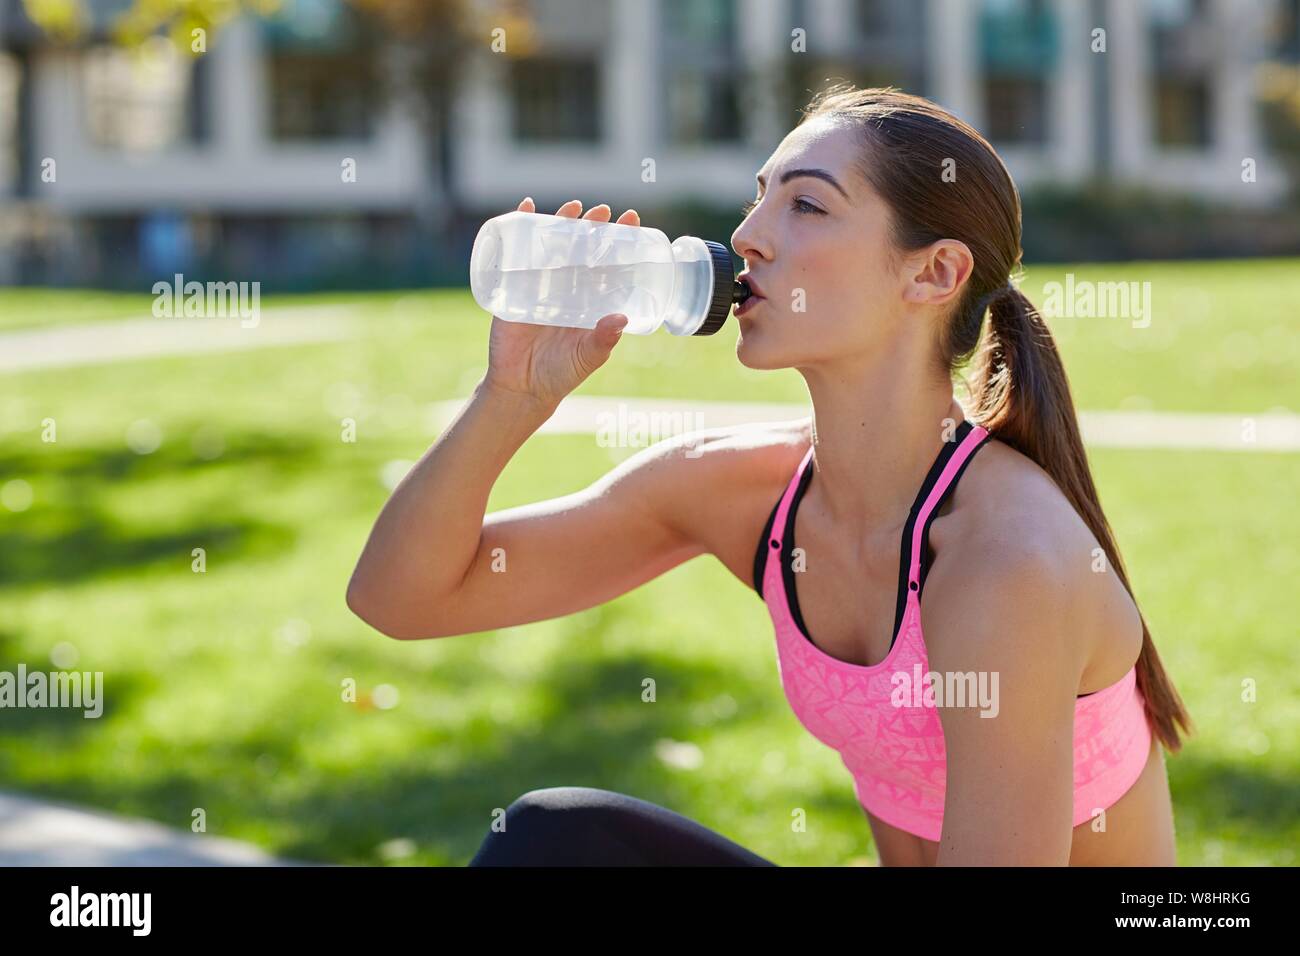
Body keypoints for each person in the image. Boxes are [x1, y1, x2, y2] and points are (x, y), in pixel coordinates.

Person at [347, 85, 1192, 866]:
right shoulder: (743, 490)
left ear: (933, 272)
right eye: (761, 195)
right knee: (557, 842)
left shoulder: (1009, 562)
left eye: (808, 204)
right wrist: (512, 396)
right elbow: (402, 598)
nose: (749, 232)